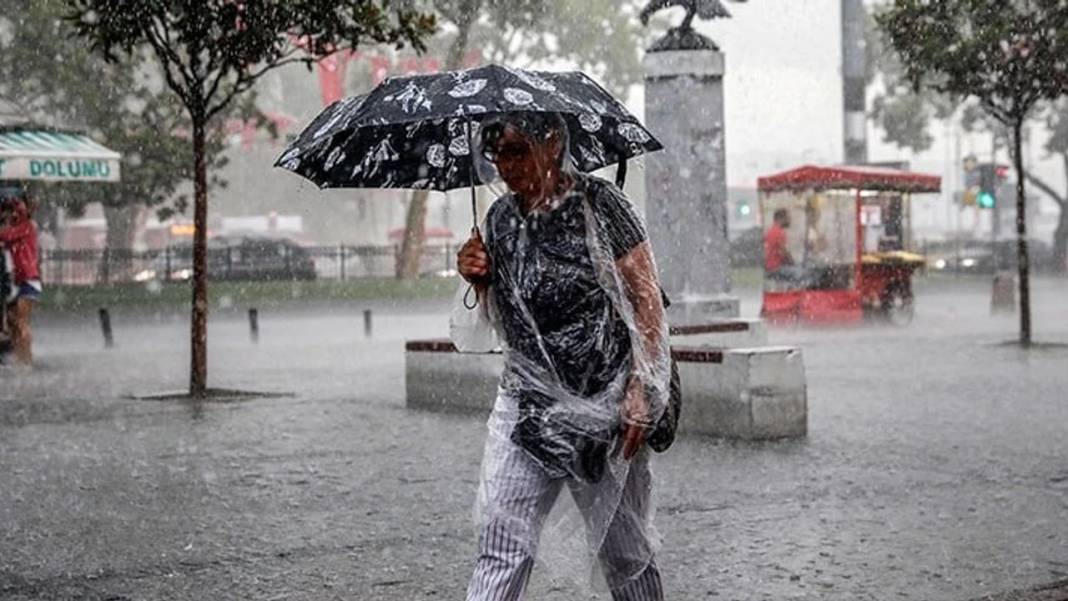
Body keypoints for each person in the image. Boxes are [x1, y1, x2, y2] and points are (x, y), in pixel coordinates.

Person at [454, 112, 671, 600]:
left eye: (516, 150)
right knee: (501, 542)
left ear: (552, 142)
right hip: (527, 408)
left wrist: (643, 387)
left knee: (626, 556)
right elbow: (505, 322)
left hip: (604, 408)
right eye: (496, 154)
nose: (505, 166)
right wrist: (479, 279)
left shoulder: (601, 206)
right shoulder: (499, 221)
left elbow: (646, 300)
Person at [0, 192, 42, 367]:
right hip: (20, 279)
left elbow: (5, 236)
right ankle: (21, 359)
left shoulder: (26, 226)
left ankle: (27, 360)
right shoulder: (21, 226)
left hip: (28, 279)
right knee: (14, 323)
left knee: (21, 322)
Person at [764, 208, 808, 287]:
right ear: (780, 219)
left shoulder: (770, 231)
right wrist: (793, 263)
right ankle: (796, 294)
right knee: (802, 273)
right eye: (788, 218)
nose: (790, 221)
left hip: (770, 267)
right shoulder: (779, 232)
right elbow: (784, 253)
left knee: (800, 267)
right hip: (776, 268)